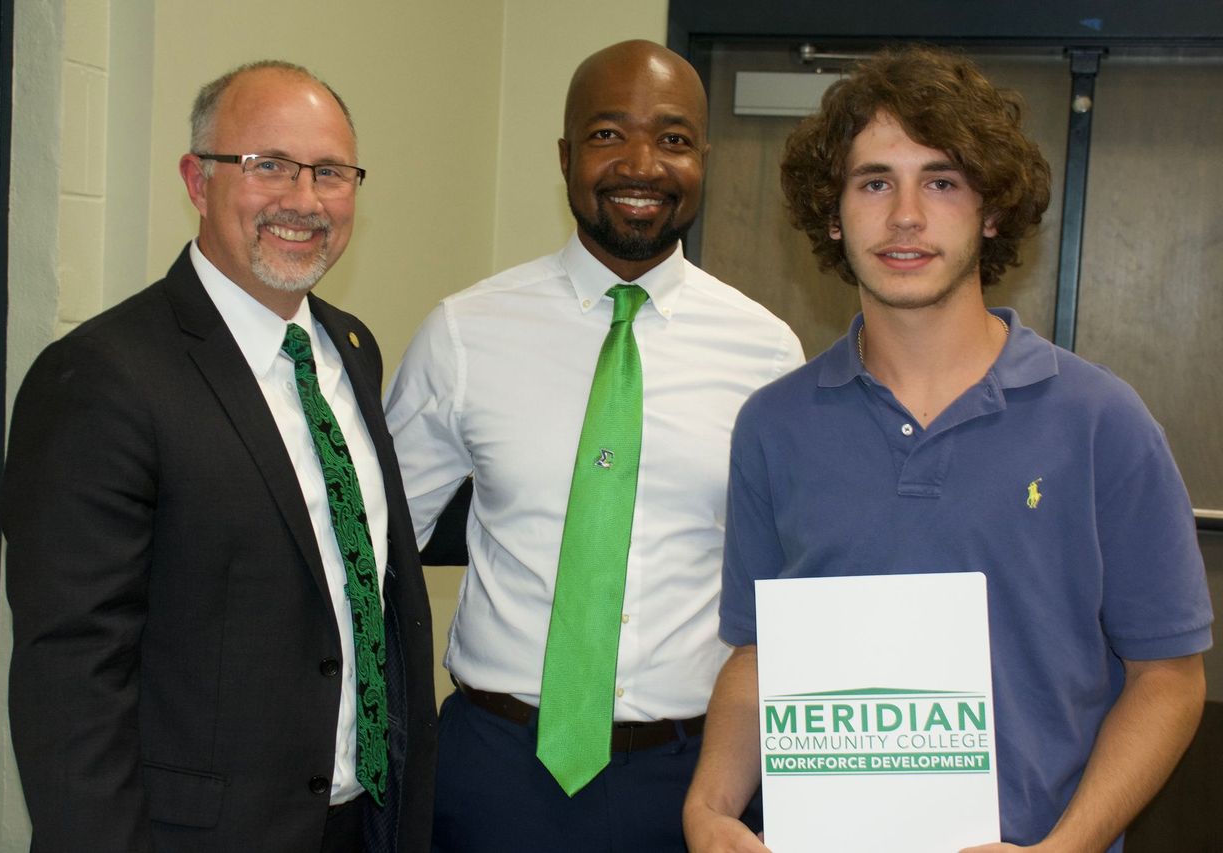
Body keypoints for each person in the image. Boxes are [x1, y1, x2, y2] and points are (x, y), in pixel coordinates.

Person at [682, 45, 1213, 853]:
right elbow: (762, 651)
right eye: (873, 183)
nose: (905, 216)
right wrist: (710, 809)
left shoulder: (1102, 421)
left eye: (941, 181)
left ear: (991, 210)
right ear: (834, 213)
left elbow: (1169, 680)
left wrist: (1061, 850)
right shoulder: (774, 425)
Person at [3, 60, 436, 853]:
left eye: (330, 172)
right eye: (267, 164)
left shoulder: (350, 350)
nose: (303, 200)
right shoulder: (100, 377)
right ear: (196, 180)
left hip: (360, 822)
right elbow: (71, 683)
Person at [385, 39, 803, 852]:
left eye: (674, 139)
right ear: (566, 156)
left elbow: (791, 586)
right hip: (497, 770)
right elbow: (370, 540)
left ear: (703, 159)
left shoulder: (767, 353)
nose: (642, 163)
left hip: (696, 783)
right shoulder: (465, 333)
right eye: (610, 135)